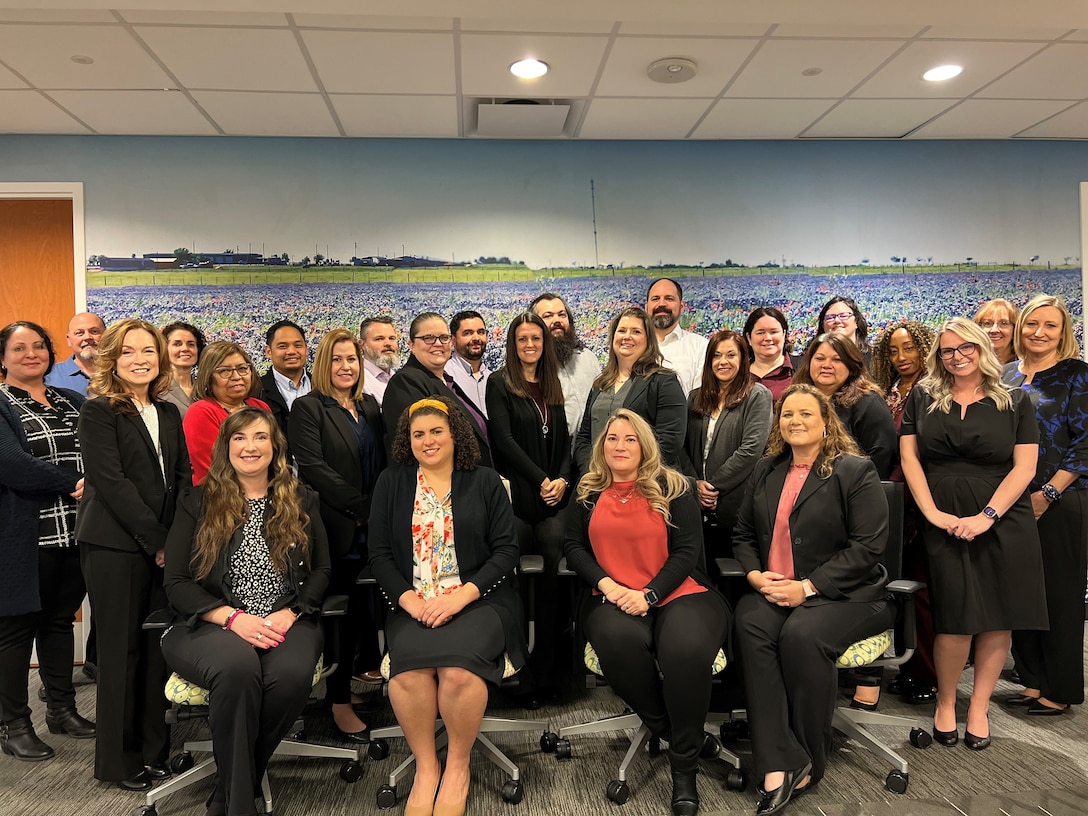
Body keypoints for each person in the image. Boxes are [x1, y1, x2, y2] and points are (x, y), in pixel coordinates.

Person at [732, 384, 894, 814]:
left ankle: (807, 759)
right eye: (787, 414)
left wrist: (806, 587)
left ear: (826, 422)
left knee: (802, 636)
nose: (795, 421)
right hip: (772, 586)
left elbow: (867, 549)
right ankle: (776, 760)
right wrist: (755, 575)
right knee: (749, 625)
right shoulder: (767, 470)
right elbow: (743, 534)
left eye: (806, 414)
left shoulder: (853, 471)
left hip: (846, 595)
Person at [161, 408, 329, 816]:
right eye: (239, 438)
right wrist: (232, 618)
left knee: (290, 676)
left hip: (284, 619)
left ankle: (229, 786)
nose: (249, 447)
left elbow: (322, 569)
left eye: (259, 437)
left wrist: (294, 613)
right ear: (225, 447)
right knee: (237, 670)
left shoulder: (302, 498)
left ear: (275, 447)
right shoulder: (196, 501)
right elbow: (177, 582)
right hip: (212, 623)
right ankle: (238, 805)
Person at [565, 409, 730, 816]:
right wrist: (609, 586)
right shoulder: (586, 491)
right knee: (616, 644)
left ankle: (684, 772)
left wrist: (650, 595)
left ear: (645, 445)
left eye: (630, 439)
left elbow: (688, 551)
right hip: (613, 596)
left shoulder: (674, 486)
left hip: (679, 592)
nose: (619, 446)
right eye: (612, 439)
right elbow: (573, 547)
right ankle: (680, 739)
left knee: (685, 651)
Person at [368, 397, 526, 816]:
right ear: (408, 440)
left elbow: (507, 551)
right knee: (410, 674)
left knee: (457, 671)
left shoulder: (486, 481)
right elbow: (380, 555)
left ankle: (457, 766)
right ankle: (426, 768)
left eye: (437, 431)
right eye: (418, 434)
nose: (428, 440)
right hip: (413, 603)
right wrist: (410, 603)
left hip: (479, 600)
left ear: (455, 434)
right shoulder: (392, 482)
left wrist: (460, 595)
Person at [899, 318, 1047, 751]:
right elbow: (910, 460)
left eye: (965, 347)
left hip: (1003, 517)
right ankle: (946, 702)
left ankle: (978, 707)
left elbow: (1025, 468)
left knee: (997, 616)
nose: (957, 356)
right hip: (940, 516)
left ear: (982, 348)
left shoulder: (1017, 401)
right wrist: (931, 513)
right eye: (947, 350)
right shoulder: (922, 397)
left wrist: (987, 516)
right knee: (955, 616)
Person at [76, 318, 192, 790]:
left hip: (161, 545)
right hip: (115, 546)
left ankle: (154, 751)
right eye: (129, 352)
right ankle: (118, 763)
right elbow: (113, 485)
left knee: (155, 651)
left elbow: (183, 479)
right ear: (112, 358)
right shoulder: (99, 411)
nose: (140, 359)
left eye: (149, 350)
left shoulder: (166, 411)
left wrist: (177, 539)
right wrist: (160, 541)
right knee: (121, 655)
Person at [0, 321, 93, 763]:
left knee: (58, 622)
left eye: (38, 346)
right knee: (16, 631)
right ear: (3, 358)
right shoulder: (0, 403)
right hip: (23, 535)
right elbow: (11, 464)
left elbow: (97, 450)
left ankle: (61, 709)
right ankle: (14, 725)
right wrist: (71, 481)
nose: (31, 354)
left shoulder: (71, 399)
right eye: (19, 348)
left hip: (74, 532)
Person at [289, 329, 385, 740]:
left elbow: (382, 462)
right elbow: (314, 469)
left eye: (351, 359)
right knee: (340, 620)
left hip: (373, 529)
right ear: (322, 364)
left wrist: (379, 508)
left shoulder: (369, 405)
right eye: (336, 360)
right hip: (335, 529)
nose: (346, 367)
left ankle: (358, 687)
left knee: (368, 615)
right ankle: (338, 700)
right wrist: (362, 507)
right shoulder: (308, 408)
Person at [1002, 295, 1088, 716]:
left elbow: (1085, 443)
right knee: (1021, 594)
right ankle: (1032, 680)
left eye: (1049, 326)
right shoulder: (1004, 375)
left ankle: (1061, 687)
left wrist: (1048, 494)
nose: (1039, 332)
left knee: (1060, 595)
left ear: (1062, 332)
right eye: (1032, 323)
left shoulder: (1077, 375)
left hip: (1062, 499)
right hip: (1009, 501)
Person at [484, 313, 571, 700]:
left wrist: (563, 481)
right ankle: (515, 670)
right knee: (511, 583)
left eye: (536, 338)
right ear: (513, 344)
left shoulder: (551, 382)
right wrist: (541, 480)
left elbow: (566, 442)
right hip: (518, 500)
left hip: (554, 500)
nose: (530, 345)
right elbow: (503, 441)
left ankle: (550, 669)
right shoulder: (499, 383)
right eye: (522, 339)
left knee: (554, 576)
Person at [868, 320, 939, 707]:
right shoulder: (889, 392)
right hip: (890, 501)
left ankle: (924, 673)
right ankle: (907, 667)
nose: (901, 357)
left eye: (910, 348)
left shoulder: (933, 390)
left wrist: (897, 493)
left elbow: (918, 452)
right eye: (894, 350)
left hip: (918, 501)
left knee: (921, 592)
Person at [682, 330, 772, 561]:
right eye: (717, 355)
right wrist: (695, 485)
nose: (723, 361)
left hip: (735, 507)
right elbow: (681, 446)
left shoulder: (757, 396)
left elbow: (751, 450)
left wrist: (711, 486)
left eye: (731, 355)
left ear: (743, 359)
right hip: (695, 504)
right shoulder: (695, 398)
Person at [573, 306, 686, 474]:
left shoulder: (664, 381)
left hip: (644, 483)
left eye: (636, 332)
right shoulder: (600, 384)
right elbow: (584, 437)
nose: (627, 336)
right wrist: (591, 472)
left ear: (649, 339)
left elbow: (670, 440)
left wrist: (627, 474)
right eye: (622, 331)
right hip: (596, 480)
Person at [382, 312, 492, 468]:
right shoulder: (406, 382)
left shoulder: (446, 381)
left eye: (444, 337)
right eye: (428, 338)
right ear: (411, 345)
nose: (438, 343)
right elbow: (419, 448)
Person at [792, 333, 896, 479]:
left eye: (837, 359)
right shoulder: (795, 400)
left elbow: (882, 455)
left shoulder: (868, 402)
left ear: (851, 365)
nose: (826, 365)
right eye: (820, 358)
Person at [183, 341, 270, 485]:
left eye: (242, 368)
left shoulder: (260, 407)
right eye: (224, 371)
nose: (236, 376)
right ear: (209, 377)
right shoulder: (200, 412)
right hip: (221, 496)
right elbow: (211, 470)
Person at [530, 292, 601, 442]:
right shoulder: (531, 367)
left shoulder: (587, 357)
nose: (557, 320)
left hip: (594, 449)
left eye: (562, 315)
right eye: (548, 316)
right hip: (556, 453)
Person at [646, 278, 708, 396]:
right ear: (646, 306)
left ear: (681, 306)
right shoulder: (634, 346)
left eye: (669, 298)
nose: (662, 304)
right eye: (655, 299)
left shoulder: (701, 347)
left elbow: (700, 400)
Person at [259, 320, 311, 442]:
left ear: (306, 349)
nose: (292, 351)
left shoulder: (324, 387)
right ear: (268, 351)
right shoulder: (256, 391)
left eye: (298, 345)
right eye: (283, 346)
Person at [44, 311, 105, 397]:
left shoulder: (120, 373)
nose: (87, 337)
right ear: (69, 340)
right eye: (79, 333)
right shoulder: (48, 376)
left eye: (94, 331)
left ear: (106, 335)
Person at [743, 307, 796, 404]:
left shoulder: (801, 367)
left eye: (773, 332)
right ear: (749, 338)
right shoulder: (739, 372)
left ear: (784, 335)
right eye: (760, 332)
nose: (767, 338)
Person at [445, 311, 491, 418]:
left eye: (481, 332)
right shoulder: (445, 376)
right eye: (468, 333)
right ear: (453, 340)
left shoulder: (493, 377)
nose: (476, 338)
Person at [160, 321, 206, 419]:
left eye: (191, 344)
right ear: (164, 349)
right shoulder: (155, 390)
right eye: (177, 344)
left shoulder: (206, 390)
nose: (185, 348)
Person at [359, 316, 401, 407]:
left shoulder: (398, 378)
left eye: (392, 338)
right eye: (379, 339)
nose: (388, 343)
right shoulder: (359, 382)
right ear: (362, 345)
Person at [815, 296, 870, 362]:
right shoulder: (809, 362)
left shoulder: (875, 360)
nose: (837, 320)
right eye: (830, 317)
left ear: (856, 322)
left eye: (843, 316)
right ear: (822, 325)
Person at [973, 298, 1019, 366]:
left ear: (1015, 329)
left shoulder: (1026, 366)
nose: (994, 330)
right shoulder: (970, 365)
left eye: (1003, 323)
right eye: (988, 323)